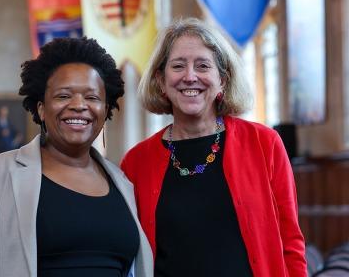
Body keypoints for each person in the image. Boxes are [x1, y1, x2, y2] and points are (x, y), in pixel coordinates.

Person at [0, 37, 153, 277]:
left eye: (92, 97)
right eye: (63, 96)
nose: (79, 105)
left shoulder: (123, 183)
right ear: (41, 108)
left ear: (106, 109)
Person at [120, 18, 307, 277]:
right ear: (161, 81)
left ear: (222, 80)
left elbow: (291, 243)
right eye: (178, 66)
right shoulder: (136, 161)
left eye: (203, 66)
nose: (190, 76)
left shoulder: (265, 144)